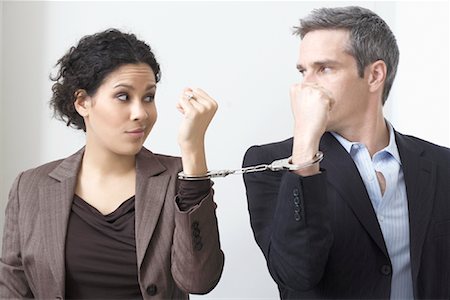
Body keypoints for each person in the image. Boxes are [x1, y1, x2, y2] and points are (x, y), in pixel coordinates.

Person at [243, 6, 449, 300]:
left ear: (375, 75)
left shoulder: (443, 165)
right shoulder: (270, 163)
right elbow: (296, 274)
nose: (305, 85)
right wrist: (305, 143)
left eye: (324, 68)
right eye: (303, 71)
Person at [0, 28, 224, 299]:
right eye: (123, 96)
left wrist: (193, 150)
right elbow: (12, 289)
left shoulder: (180, 178)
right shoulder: (31, 186)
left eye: (149, 97)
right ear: (83, 102)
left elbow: (199, 280)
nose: (140, 113)